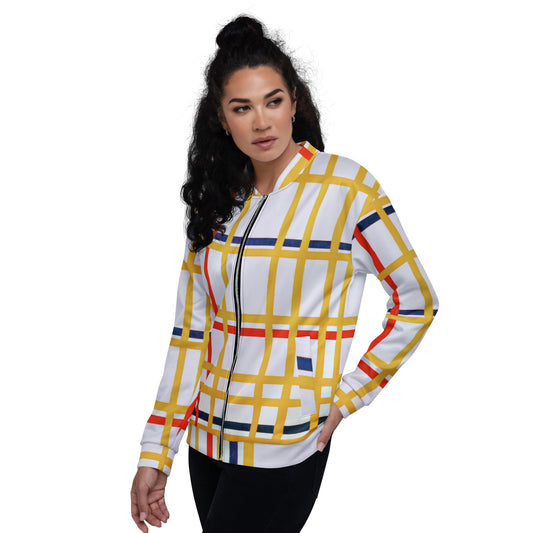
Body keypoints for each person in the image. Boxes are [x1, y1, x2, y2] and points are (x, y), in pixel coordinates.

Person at [130, 14, 439, 533]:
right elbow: (191, 335)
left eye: (272, 101)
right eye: (242, 108)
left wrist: (350, 395)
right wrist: (157, 450)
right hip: (207, 441)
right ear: (221, 119)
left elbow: (417, 301)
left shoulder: (347, 190)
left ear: (294, 102)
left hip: (286, 442)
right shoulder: (216, 201)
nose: (261, 122)